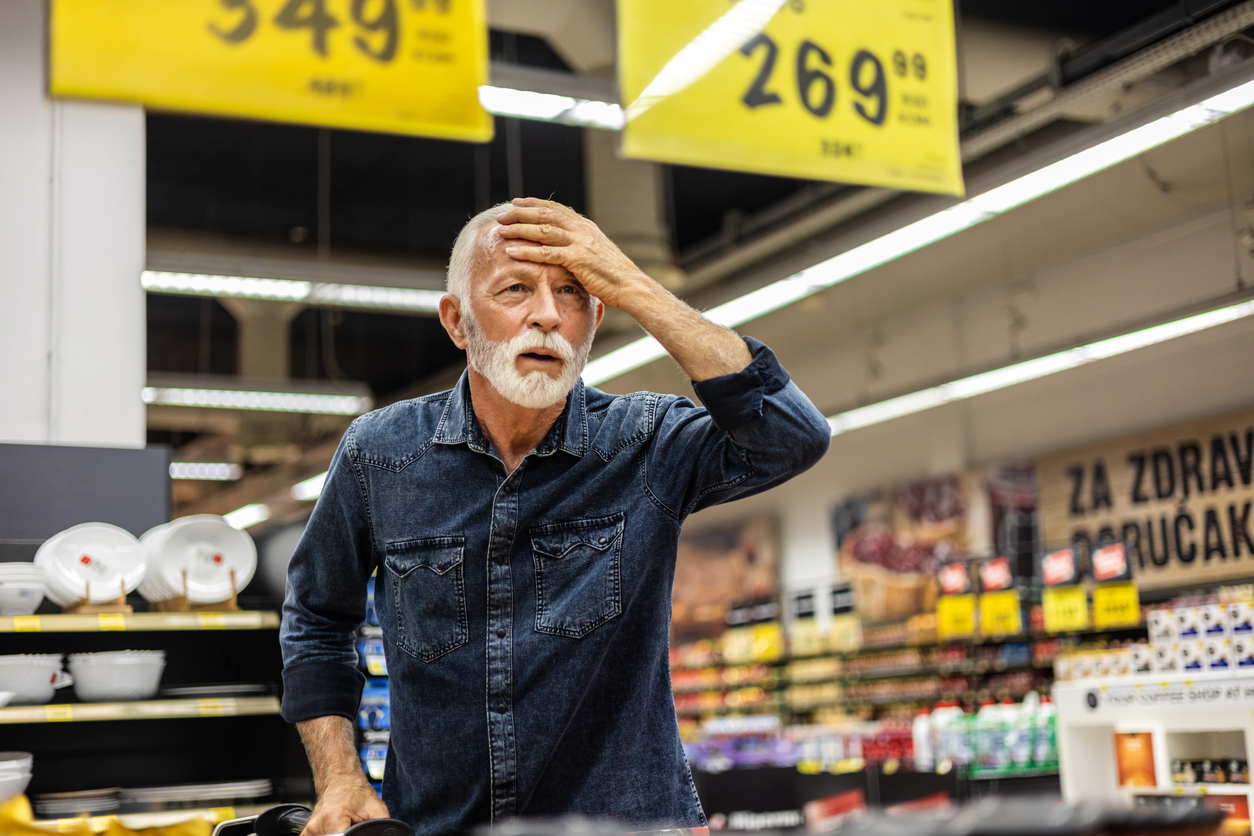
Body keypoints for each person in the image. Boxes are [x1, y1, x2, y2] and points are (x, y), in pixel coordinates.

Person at [280, 198, 831, 836]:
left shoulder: (645, 443)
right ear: (458, 322)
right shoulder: (382, 454)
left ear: (596, 318)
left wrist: (633, 285)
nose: (547, 314)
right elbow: (318, 617)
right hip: (438, 826)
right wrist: (340, 775)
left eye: (573, 294)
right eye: (515, 289)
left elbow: (793, 436)